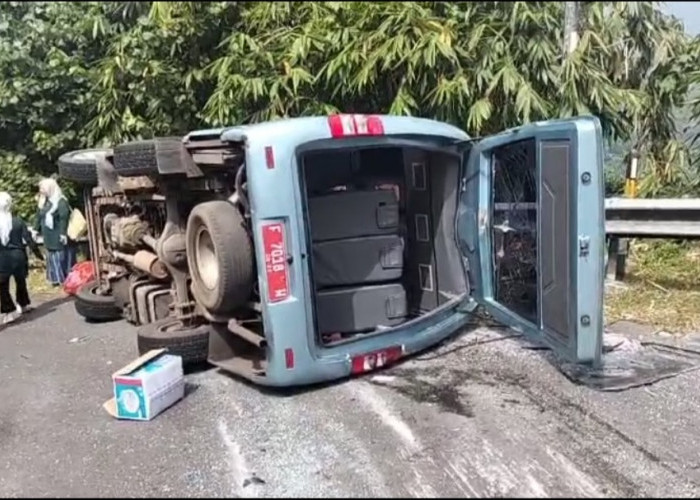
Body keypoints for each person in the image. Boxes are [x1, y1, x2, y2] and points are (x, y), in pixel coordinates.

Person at [0, 192, 43, 324]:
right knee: (21, 282)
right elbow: (28, 239)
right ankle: (23, 305)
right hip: (19, 255)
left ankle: (8, 311)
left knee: (2, 286)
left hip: (3, 257)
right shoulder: (18, 221)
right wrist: (39, 255)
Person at [35, 178, 74, 286]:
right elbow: (39, 216)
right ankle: (54, 278)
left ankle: (64, 278)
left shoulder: (61, 201)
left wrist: (63, 233)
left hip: (58, 234)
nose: (41, 191)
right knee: (51, 256)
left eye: (43, 188)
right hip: (48, 235)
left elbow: (64, 218)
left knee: (60, 256)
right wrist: (35, 229)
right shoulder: (45, 202)